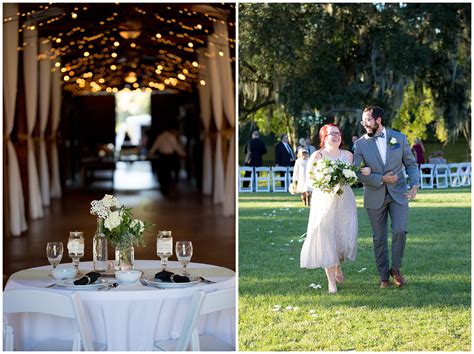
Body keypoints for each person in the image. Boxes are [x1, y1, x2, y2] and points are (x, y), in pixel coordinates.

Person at [354, 106, 420, 289]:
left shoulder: (399, 138)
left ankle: (395, 270)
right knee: (379, 238)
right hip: (375, 195)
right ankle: (384, 276)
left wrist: (414, 184)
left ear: (378, 120)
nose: (364, 124)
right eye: (363, 121)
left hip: (398, 194)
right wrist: (379, 178)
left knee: (400, 230)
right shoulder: (360, 144)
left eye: (367, 120)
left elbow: (411, 163)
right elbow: (356, 172)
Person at [300, 123, 371, 293]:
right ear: (324, 137)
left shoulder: (348, 156)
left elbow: (357, 173)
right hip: (323, 201)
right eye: (331, 133)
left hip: (344, 200)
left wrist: (365, 170)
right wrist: (324, 182)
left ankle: (338, 264)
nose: (336, 136)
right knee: (326, 238)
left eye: (338, 133)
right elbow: (309, 181)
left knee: (343, 238)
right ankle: (331, 283)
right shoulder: (317, 156)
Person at [148, 126, 186, 197]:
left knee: (163, 173)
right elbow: (176, 147)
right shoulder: (171, 137)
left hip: (162, 157)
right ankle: (167, 189)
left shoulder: (160, 136)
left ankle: (164, 189)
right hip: (169, 157)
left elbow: (154, 147)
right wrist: (183, 154)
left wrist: (150, 153)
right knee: (167, 173)